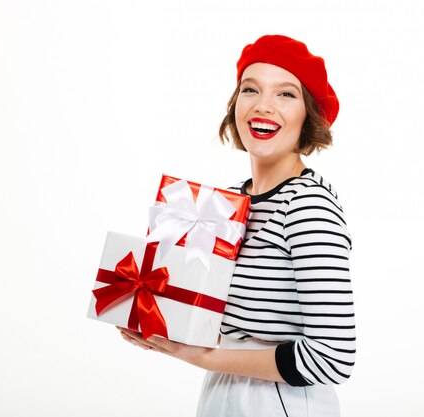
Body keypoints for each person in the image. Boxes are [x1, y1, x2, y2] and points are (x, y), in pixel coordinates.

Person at [118, 34, 356, 417]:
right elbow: (201, 312)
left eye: (286, 94)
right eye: (251, 89)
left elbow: (333, 359)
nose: (264, 106)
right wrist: (150, 316)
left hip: (283, 404)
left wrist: (203, 357)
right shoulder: (223, 204)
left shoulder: (307, 205)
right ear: (235, 105)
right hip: (220, 397)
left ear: (308, 115)